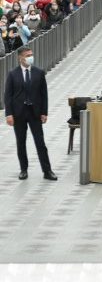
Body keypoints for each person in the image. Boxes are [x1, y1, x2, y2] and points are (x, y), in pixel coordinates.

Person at [3, 46, 56, 181]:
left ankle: (47, 170)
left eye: (31, 55)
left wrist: (44, 112)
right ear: (20, 58)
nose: (30, 57)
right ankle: (23, 169)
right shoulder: (12, 74)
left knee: (40, 142)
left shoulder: (39, 73)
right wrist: (9, 114)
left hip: (35, 114)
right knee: (21, 142)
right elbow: (8, 96)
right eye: (27, 55)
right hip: (18, 114)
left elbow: (44, 94)